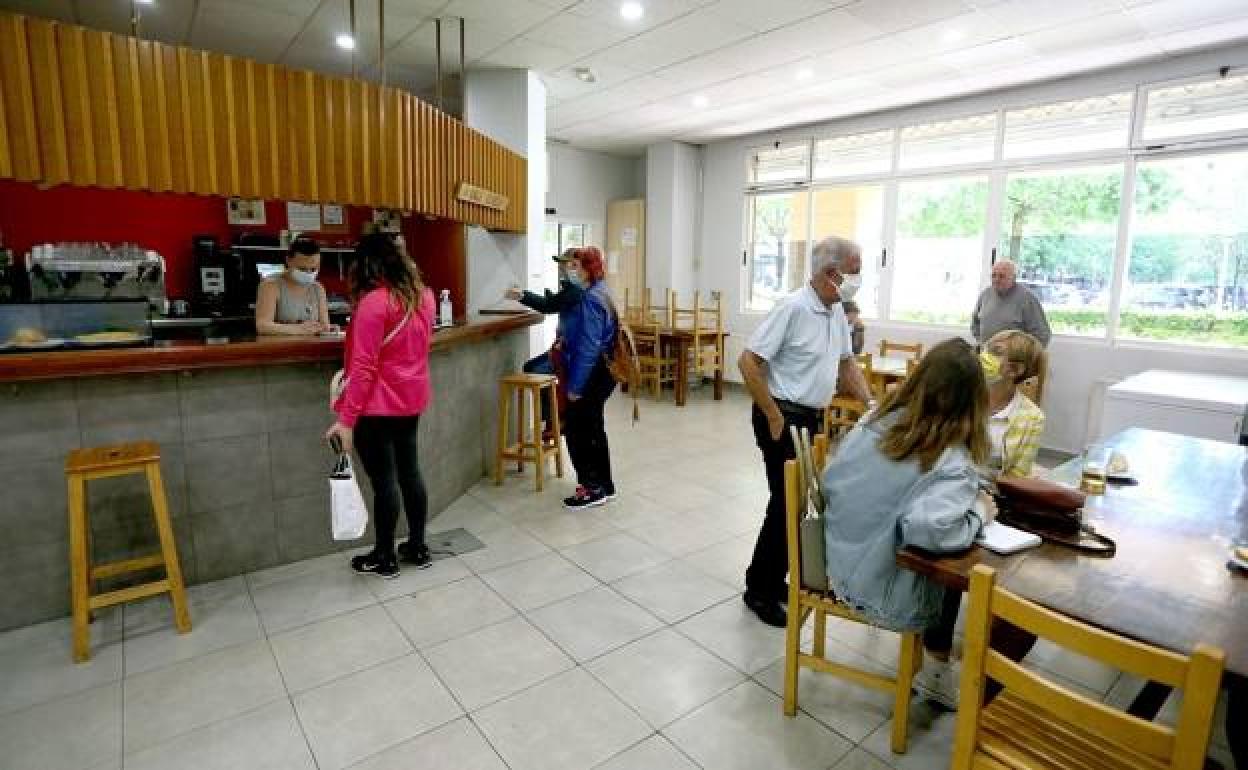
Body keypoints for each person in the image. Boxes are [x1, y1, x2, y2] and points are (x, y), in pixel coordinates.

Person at [821, 338, 1036, 710]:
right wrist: (980, 511)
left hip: (835, 559)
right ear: (971, 401)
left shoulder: (873, 421)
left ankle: (938, 663)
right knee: (959, 558)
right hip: (879, 585)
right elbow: (931, 531)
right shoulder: (950, 457)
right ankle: (939, 671)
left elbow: (830, 481)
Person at [738, 236, 873, 627]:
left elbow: (847, 366)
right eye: (855, 273)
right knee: (785, 501)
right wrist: (773, 415)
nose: (858, 280)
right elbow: (748, 362)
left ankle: (772, 578)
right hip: (782, 416)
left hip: (810, 419)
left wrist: (871, 405)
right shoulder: (793, 308)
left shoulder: (835, 312)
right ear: (831, 274)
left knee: (797, 504)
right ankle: (758, 590)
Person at [916, 329, 1047, 704]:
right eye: (987, 348)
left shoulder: (1029, 418)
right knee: (948, 565)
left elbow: (1017, 478)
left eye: (996, 352)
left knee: (1012, 576)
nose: (984, 355)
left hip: (994, 504)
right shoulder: (960, 398)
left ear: (1015, 370)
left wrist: (985, 496)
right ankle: (937, 664)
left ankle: (988, 671)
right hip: (945, 496)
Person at [325, 233, 436, 579]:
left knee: (385, 481)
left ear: (366, 265)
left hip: (376, 405)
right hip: (411, 399)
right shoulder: (425, 297)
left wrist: (345, 420)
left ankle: (384, 555)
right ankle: (417, 546)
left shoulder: (375, 303)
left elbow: (363, 368)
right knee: (410, 472)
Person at [558, 246, 619, 510]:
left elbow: (589, 346)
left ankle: (591, 488)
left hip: (593, 371)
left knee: (576, 428)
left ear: (587, 269)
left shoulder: (591, 298)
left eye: (575, 266)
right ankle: (604, 484)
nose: (571, 271)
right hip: (604, 370)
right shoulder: (601, 291)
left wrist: (575, 386)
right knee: (593, 427)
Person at [504, 249, 584, 376]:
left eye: (565, 264)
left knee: (534, 371)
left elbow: (548, 305)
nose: (561, 268)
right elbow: (555, 302)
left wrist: (522, 296)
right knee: (530, 367)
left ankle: (549, 396)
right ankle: (550, 395)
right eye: (561, 264)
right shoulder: (575, 288)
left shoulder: (576, 290)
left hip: (572, 351)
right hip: (566, 347)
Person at [256, 238, 336, 335]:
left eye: (313, 269)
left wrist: (330, 329)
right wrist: (299, 329)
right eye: (302, 269)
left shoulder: (317, 288)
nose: (308, 273)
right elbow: (263, 325)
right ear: (288, 261)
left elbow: (324, 325)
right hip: (282, 347)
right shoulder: (271, 285)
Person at [970, 260, 1051, 347]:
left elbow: (1042, 335)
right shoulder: (986, 294)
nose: (996, 279)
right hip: (986, 353)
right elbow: (975, 322)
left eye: (1002, 276)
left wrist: (1023, 354)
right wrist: (982, 341)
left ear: (1013, 278)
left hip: (1012, 358)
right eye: (993, 275)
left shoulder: (1027, 299)